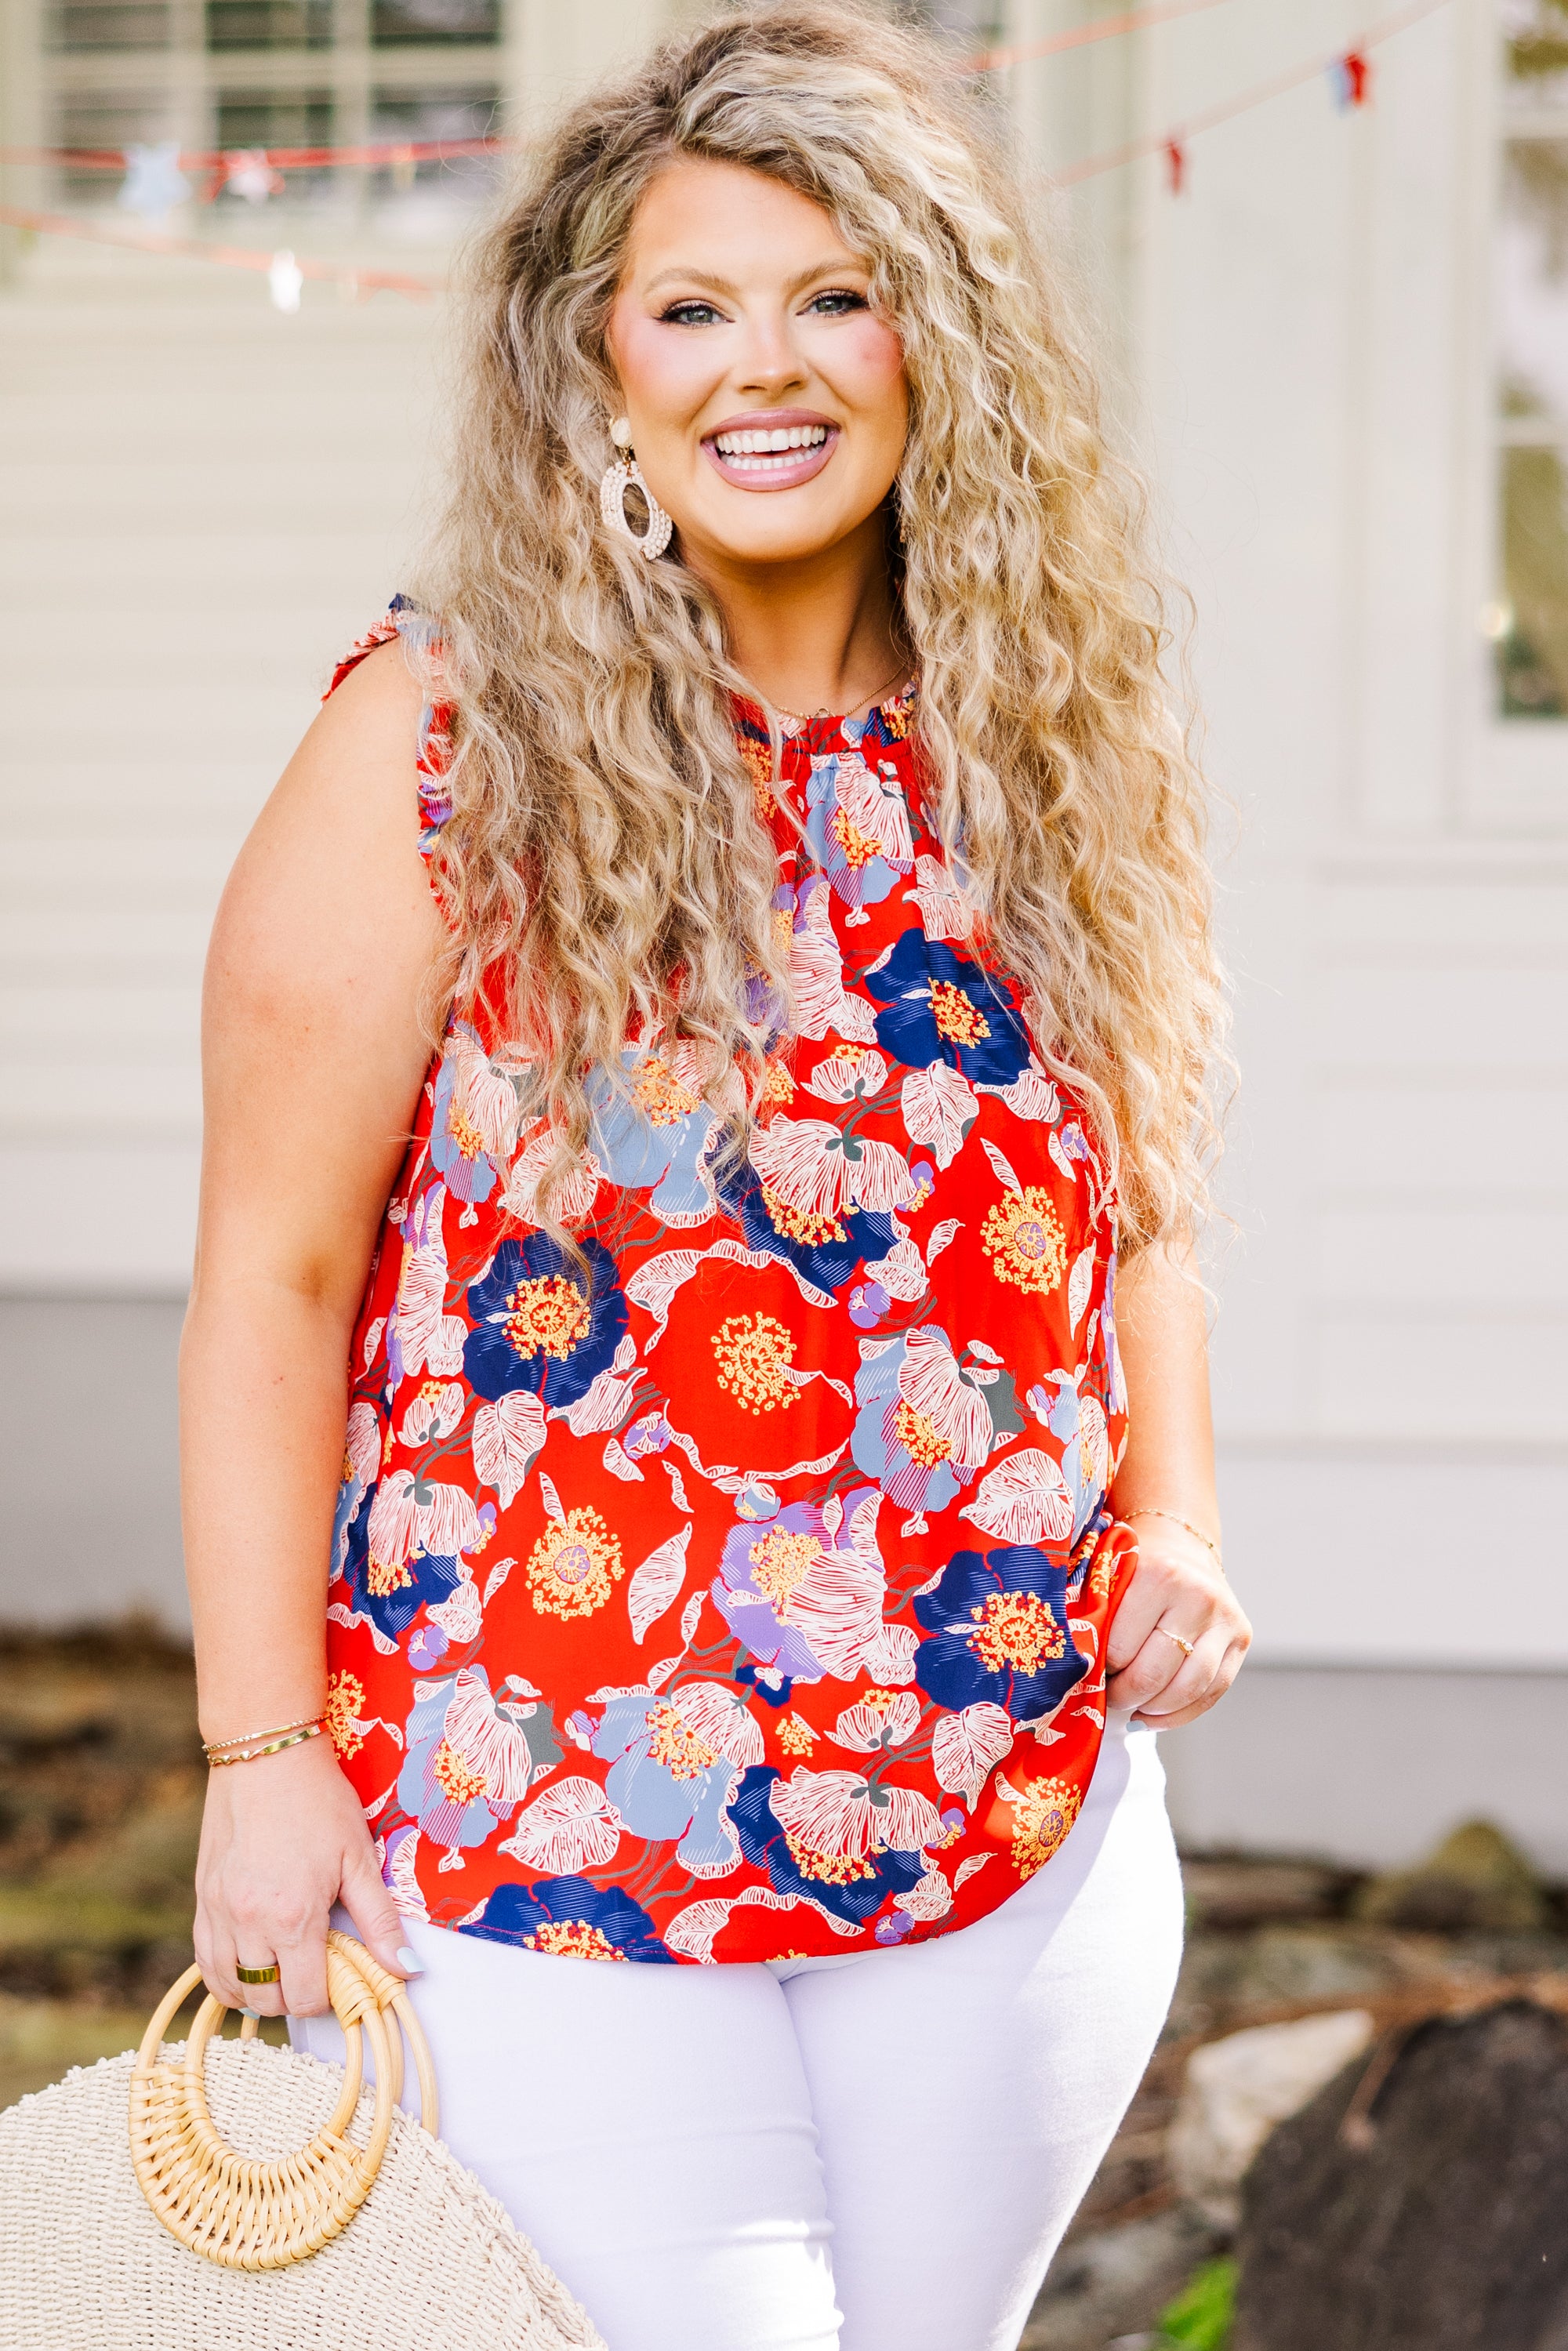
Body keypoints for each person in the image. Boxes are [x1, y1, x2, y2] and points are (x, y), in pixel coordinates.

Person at [180, 9, 1250, 2348]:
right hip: (540, 1814)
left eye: (834, 294)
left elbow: (1133, 1190)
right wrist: (260, 1763)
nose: (766, 368)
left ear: (930, 339)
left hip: (1009, 1808)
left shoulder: (1043, 743)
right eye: (693, 305)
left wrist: (1173, 1515)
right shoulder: (439, 742)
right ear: (599, 369)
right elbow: (269, 1275)